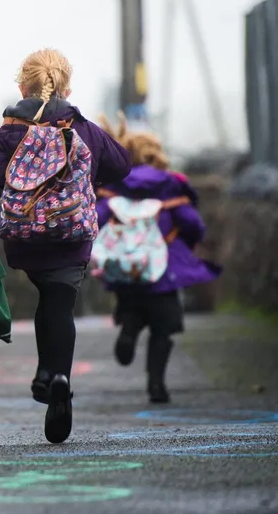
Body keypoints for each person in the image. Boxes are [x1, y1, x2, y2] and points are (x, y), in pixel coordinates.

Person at [0, 48, 131, 444]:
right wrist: (78, 184)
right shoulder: (83, 130)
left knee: (46, 295)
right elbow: (122, 166)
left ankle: (46, 374)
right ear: (66, 86)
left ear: (22, 86)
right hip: (72, 234)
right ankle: (58, 375)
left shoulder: (8, 132)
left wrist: (27, 192)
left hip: (26, 239)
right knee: (60, 302)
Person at [95, 113, 221, 404]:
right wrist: (184, 244)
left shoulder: (114, 186)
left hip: (127, 272)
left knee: (133, 311)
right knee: (163, 329)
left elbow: (98, 219)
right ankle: (156, 385)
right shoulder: (170, 187)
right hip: (163, 274)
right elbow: (193, 225)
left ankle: (128, 331)